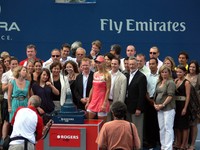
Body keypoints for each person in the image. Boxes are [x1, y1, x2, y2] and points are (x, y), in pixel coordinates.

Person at [125, 57, 147, 148]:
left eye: (133, 64)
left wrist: (139, 108)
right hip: (127, 107)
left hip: (136, 108)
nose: (131, 66)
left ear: (137, 65)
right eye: (130, 64)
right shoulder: (126, 75)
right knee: (129, 129)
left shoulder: (142, 77)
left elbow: (142, 95)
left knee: (137, 129)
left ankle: (138, 147)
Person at [154, 65, 176, 150]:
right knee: (161, 128)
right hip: (159, 109)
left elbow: (170, 96)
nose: (164, 74)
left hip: (168, 109)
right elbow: (155, 95)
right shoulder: (159, 82)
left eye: (166, 72)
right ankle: (163, 147)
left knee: (168, 128)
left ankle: (168, 147)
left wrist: (162, 105)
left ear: (169, 73)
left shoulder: (171, 82)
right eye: (162, 72)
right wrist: (155, 105)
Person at [85, 55, 111, 123]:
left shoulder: (107, 75)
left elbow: (108, 89)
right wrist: (88, 101)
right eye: (97, 62)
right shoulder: (95, 74)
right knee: (89, 121)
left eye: (100, 62)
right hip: (93, 100)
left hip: (102, 100)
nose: (98, 64)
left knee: (102, 124)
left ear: (103, 63)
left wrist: (105, 103)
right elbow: (93, 88)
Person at [174, 65, 191, 150]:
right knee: (177, 125)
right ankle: (178, 143)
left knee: (184, 126)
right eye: (177, 72)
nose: (178, 73)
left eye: (180, 72)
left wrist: (185, 108)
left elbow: (188, 96)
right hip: (176, 105)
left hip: (183, 105)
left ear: (184, 72)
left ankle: (183, 145)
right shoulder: (175, 81)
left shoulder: (187, 82)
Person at [144, 58, 160, 149]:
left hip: (159, 102)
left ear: (157, 64)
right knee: (149, 123)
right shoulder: (146, 76)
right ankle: (150, 142)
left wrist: (156, 102)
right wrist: (150, 101)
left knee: (158, 123)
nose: (151, 65)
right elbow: (145, 91)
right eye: (150, 64)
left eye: (153, 64)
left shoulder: (161, 76)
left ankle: (158, 140)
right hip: (149, 102)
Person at [1, 57, 18, 140]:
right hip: (7, 100)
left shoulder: (21, 74)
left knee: (16, 121)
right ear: (9, 65)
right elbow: (3, 88)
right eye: (13, 64)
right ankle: (4, 140)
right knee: (7, 121)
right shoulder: (6, 74)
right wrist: (11, 82)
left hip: (17, 100)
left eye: (16, 64)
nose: (14, 65)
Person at [185, 60, 200, 150]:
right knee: (187, 124)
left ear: (196, 68)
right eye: (190, 66)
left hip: (196, 104)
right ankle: (186, 143)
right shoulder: (186, 75)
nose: (191, 68)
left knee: (194, 124)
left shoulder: (199, 76)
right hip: (186, 104)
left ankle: (192, 144)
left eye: (193, 67)